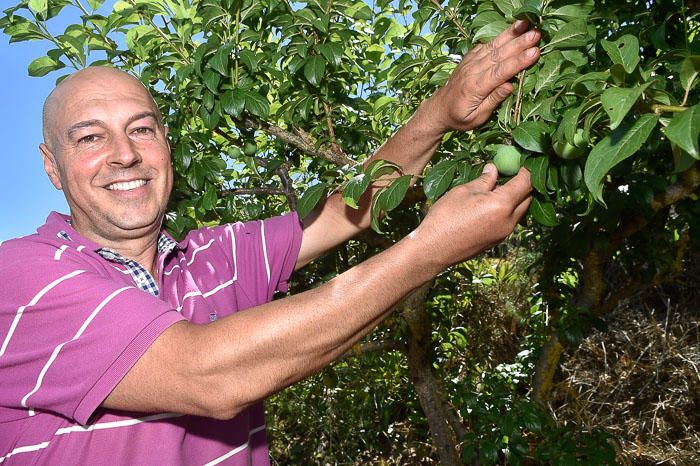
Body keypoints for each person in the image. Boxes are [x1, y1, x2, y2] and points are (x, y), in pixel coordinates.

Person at [0, 21, 540, 465]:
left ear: (166, 143)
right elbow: (207, 373)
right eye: (90, 137)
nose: (124, 155)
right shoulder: (18, 276)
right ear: (52, 166)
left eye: (141, 129)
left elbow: (348, 210)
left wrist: (442, 110)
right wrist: (430, 250)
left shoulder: (214, 258)